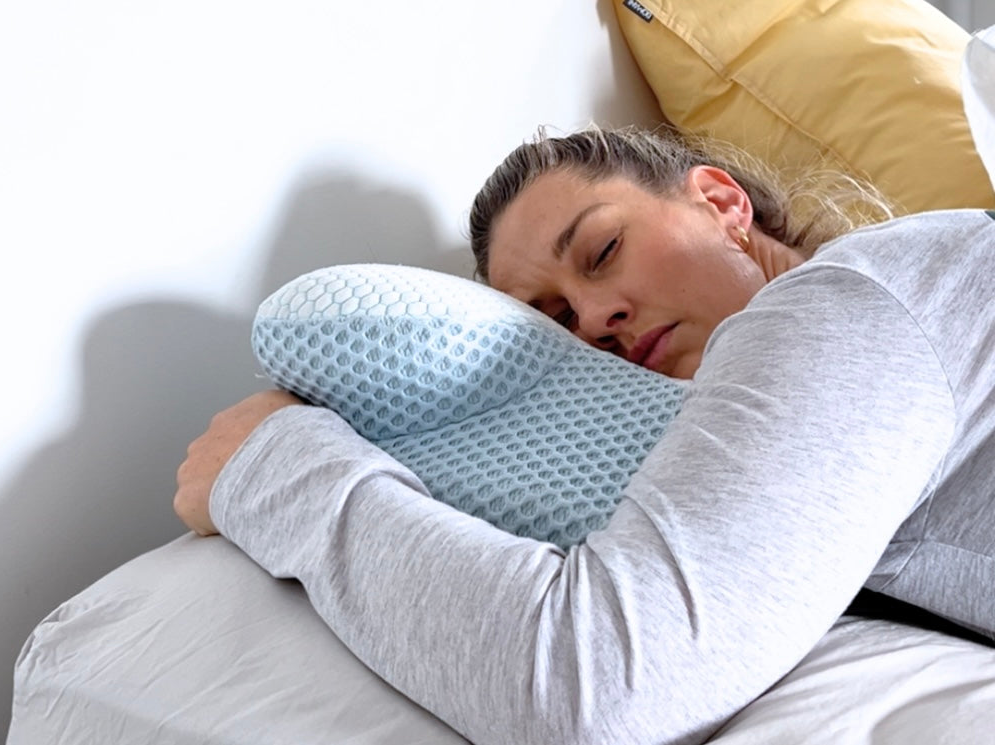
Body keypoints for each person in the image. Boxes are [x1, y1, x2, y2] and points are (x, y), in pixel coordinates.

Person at [173, 125, 995, 745]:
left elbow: (603, 684)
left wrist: (273, 468)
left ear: (720, 202)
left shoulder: (847, 302)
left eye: (604, 250)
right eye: (557, 320)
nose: (597, 317)